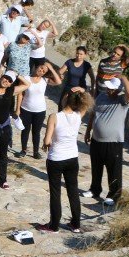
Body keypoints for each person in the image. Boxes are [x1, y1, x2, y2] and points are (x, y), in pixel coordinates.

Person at [36, 89, 94, 235]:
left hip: (56, 158)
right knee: (73, 192)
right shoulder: (78, 116)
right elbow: (86, 105)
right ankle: (75, 224)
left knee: (55, 193)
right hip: (72, 158)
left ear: (64, 99)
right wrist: (83, 91)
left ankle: (53, 225)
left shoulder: (54, 116)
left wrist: (45, 144)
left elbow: (47, 140)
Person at [83, 75, 129, 206]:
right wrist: (88, 131)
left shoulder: (122, 100)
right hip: (96, 139)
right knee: (96, 167)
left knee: (114, 170)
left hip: (113, 142)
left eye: (112, 89)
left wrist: (123, 77)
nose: (108, 90)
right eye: (108, 87)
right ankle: (95, 189)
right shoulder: (101, 97)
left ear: (118, 90)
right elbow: (94, 114)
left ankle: (114, 195)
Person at [18, 62, 62, 159]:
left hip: (40, 110)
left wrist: (50, 68)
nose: (41, 71)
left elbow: (59, 82)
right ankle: (23, 150)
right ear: (37, 67)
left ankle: (35, 152)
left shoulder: (45, 80)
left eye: (44, 71)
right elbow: (20, 94)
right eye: (41, 68)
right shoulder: (26, 78)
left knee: (36, 132)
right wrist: (17, 109)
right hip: (26, 109)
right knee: (25, 130)